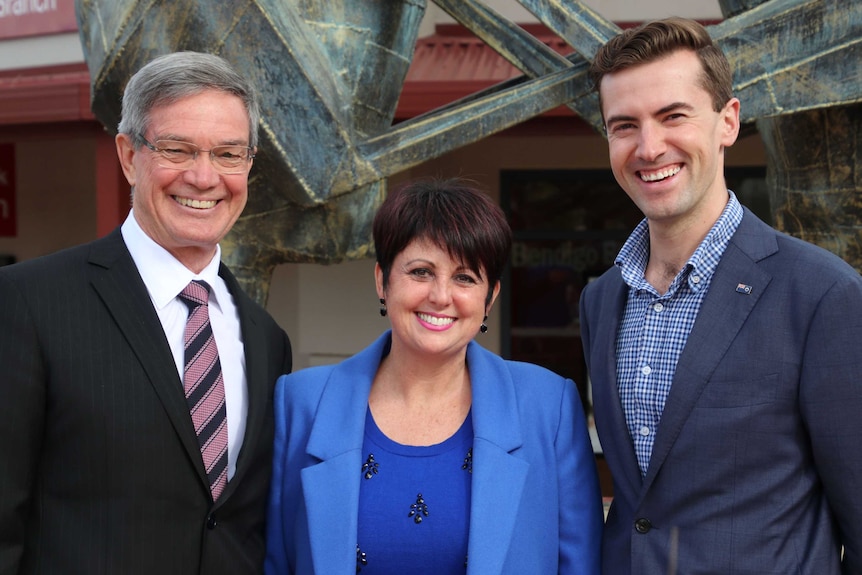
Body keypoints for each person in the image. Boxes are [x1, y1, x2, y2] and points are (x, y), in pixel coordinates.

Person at [579, 16, 862, 575]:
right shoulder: (601, 299)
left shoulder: (823, 294)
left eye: (673, 116)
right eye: (624, 125)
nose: (649, 146)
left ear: (728, 122)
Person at [0, 51, 292, 574]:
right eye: (177, 149)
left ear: (249, 165)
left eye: (229, 154)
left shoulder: (268, 339)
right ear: (129, 156)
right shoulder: (26, 303)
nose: (204, 178)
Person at [265, 179, 602, 574]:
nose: (441, 296)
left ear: (490, 297)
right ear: (382, 281)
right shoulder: (302, 402)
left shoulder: (548, 406)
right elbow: (278, 562)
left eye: (465, 278)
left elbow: (581, 565)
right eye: (421, 271)